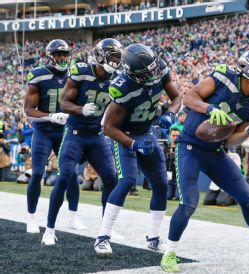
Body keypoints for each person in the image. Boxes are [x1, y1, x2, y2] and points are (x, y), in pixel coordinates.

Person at [160, 49, 249, 273]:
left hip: (215, 152)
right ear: (246, 66)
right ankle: (169, 254)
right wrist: (210, 108)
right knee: (189, 202)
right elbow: (189, 97)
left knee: (247, 198)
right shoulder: (223, 77)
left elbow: (230, 140)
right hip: (190, 147)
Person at [94, 43, 181, 255]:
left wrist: (170, 114)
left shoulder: (158, 67)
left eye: (153, 68)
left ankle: (153, 238)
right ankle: (102, 237)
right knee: (127, 181)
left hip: (146, 131)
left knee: (160, 184)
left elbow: (177, 98)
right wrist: (133, 144)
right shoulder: (122, 86)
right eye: (147, 72)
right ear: (133, 73)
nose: (153, 74)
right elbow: (108, 127)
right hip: (125, 135)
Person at [41, 38, 122, 245]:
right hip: (75, 132)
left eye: (117, 56)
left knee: (112, 179)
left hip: (96, 134)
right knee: (64, 177)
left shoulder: (118, 79)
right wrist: (80, 109)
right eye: (112, 56)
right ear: (100, 56)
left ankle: (106, 230)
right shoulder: (82, 71)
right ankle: (49, 230)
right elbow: (64, 102)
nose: (115, 60)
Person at [23, 39, 82, 234]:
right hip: (44, 131)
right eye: (58, 54)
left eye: (65, 54)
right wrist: (50, 116)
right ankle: (31, 218)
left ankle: (73, 216)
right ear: (51, 55)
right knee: (38, 172)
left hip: (65, 131)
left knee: (71, 173)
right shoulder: (39, 75)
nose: (62, 58)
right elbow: (28, 110)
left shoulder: (74, 75)